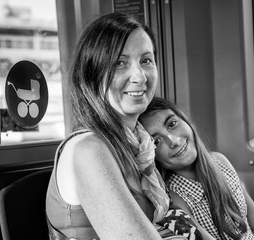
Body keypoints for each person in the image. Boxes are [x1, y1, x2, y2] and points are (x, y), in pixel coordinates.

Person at [46, 13, 174, 239]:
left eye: (146, 60)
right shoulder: (89, 150)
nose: (140, 77)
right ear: (92, 74)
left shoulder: (139, 145)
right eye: (120, 63)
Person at [139, 97, 254, 240]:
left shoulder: (219, 161)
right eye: (157, 141)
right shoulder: (175, 198)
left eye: (172, 124)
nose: (174, 141)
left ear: (186, 121)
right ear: (151, 155)